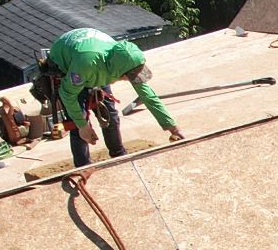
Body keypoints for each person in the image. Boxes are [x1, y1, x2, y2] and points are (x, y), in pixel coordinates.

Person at [38, 28, 181, 167]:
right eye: (127, 77)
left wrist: (172, 127)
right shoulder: (88, 63)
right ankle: (83, 167)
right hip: (71, 67)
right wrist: (82, 125)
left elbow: (147, 95)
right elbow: (67, 94)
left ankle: (118, 155)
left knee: (111, 116)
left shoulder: (123, 59)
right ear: (118, 72)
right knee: (77, 124)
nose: (128, 80)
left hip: (97, 67)